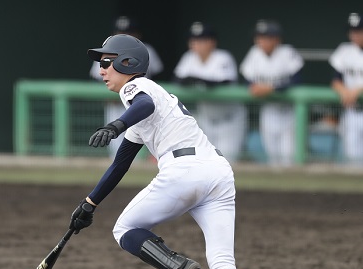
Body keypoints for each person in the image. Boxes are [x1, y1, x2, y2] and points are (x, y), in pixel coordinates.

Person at [70, 34, 260, 269]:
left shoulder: (138, 89)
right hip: (218, 172)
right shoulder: (147, 106)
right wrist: (89, 204)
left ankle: (177, 266)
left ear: (127, 64)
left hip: (184, 170)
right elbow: (120, 165)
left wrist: (115, 125)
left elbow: (143, 104)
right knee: (222, 263)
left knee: (124, 230)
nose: (101, 69)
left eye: (106, 61)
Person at [89, 16, 164, 158]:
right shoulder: (106, 52)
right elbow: (96, 80)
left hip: (141, 104)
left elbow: (158, 78)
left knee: (146, 149)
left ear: (137, 34)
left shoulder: (145, 50)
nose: (123, 35)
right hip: (114, 106)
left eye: (129, 32)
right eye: (120, 32)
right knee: (117, 152)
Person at [173, 22, 247, 163]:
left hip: (229, 121)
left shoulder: (223, 57)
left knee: (226, 164)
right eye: (193, 40)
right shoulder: (189, 57)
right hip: (205, 120)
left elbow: (223, 82)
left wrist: (194, 79)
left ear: (212, 42)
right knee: (203, 164)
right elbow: (178, 80)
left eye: (201, 40)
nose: (196, 44)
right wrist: (198, 81)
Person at [240, 19, 304, 166]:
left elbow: (297, 80)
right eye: (259, 37)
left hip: (289, 112)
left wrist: (271, 88)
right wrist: (254, 87)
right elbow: (246, 79)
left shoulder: (287, 52)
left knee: (289, 158)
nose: (261, 41)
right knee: (273, 159)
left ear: (277, 39)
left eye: (266, 37)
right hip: (268, 111)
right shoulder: (254, 53)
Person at [329, 12, 363, 164]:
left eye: (359, 30)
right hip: (351, 111)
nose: (355, 34)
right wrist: (343, 91)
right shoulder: (345, 50)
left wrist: (357, 90)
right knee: (353, 160)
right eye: (352, 31)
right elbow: (336, 79)